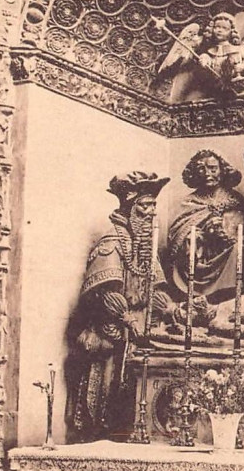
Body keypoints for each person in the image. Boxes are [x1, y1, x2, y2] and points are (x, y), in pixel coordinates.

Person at [71, 171, 172, 440]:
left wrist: (173, 310)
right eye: (145, 206)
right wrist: (128, 320)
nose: (151, 212)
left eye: (153, 206)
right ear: (130, 207)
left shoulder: (146, 247)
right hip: (115, 331)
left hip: (141, 330)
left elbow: (157, 291)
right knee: (109, 389)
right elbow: (106, 295)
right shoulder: (113, 242)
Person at [168, 150, 244, 303]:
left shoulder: (235, 199)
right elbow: (177, 234)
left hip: (226, 251)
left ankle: (227, 291)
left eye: (212, 168)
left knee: (238, 248)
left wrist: (223, 230)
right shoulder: (189, 201)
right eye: (201, 169)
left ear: (222, 170)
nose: (207, 174)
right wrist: (197, 235)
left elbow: (242, 229)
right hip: (200, 255)